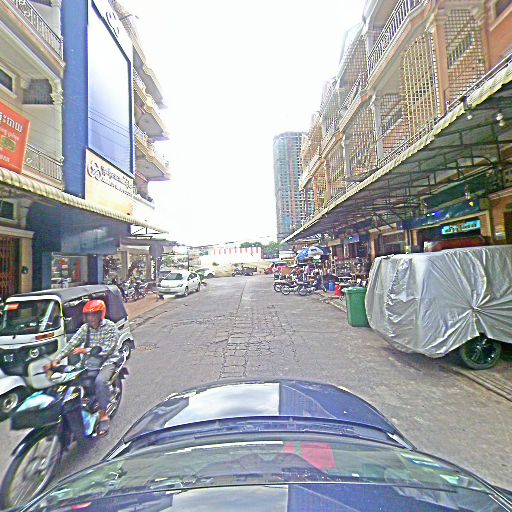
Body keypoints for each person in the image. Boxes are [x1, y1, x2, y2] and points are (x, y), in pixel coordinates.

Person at [45, 299, 120, 436]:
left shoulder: (110, 327)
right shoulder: (85, 328)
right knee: (70, 379)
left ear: (101, 314)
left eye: (94, 314)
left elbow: (108, 348)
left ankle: (103, 415)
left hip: (107, 361)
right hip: (88, 363)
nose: (91, 318)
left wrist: (85, 350)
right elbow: (72, 343)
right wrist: (57, 359)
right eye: (88, 315)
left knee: (100, 381)